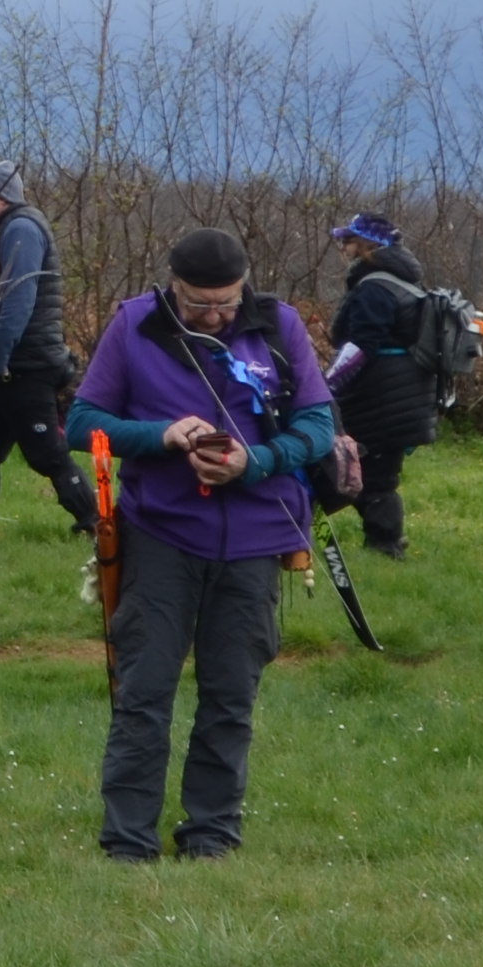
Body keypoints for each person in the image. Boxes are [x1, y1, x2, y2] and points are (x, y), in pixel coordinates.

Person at [70, 225, 336, 861]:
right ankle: (128, 840)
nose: (215, 316)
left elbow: (320, 425)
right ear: (173, 287)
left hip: (254, 538)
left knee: (231, 695)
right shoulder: (134, 326)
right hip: (161, 533)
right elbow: (81, 423)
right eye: (198, 305)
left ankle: (212, 834)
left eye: (226, 303)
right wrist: (160, 436)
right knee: (144, 691)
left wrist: (258, 460)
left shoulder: (281, 327)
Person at [0, 163, 96, 543]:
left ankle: (93, 519)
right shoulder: (12, 229)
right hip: (8, 363)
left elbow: (18, 300)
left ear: (0, 196)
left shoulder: (22, 229)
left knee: (47, 452)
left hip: (24, 363)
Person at [318, 210, 435, 560]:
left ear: (368, 245)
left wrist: (324, 386)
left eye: (350, 240)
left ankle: (385, 546)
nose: (344, 247)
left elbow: (360, 346)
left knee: (373, 472)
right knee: (376, 469)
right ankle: (383, 544)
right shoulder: (402, 280)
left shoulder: (376, 288)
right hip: (401, 392)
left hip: (382, 395)